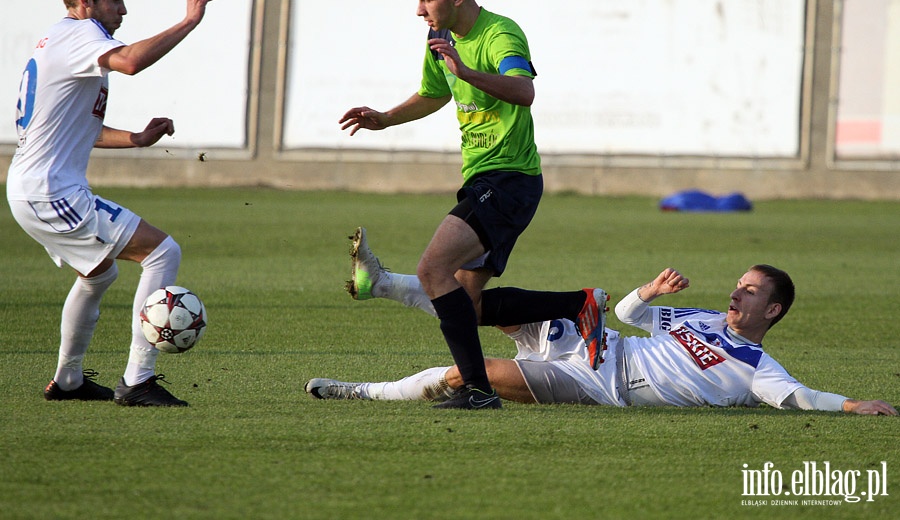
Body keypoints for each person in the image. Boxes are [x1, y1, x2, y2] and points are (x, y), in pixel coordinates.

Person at [339, 0, 608, 409]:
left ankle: (479, 390)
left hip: (510, 179)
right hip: (482, 177)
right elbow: (433, 93)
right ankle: (579, 304)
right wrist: (385, 118)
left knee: (432, 270)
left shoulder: (501, 33)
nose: (419, 10)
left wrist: (467, 71)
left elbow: (524, 91)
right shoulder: (438, 35)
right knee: (467, 302)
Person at [7, 0, 219, 406]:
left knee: (98, 274)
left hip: (32, 188)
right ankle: (138, 381)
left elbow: (75, 127)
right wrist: (188, 21)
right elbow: (130, 62)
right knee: (163, 250)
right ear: (85, 0)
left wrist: (137, 139)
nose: (123, 9)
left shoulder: (57, 41)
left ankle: (68, 381)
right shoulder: (81, 34)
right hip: (51, 191)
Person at [308, 265, 897, 416]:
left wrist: (852, 405)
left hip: (594, 381)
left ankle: (360, 392)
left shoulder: (755, 366)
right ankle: (380, 282)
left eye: (749, 292)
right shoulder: (706, 320)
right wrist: (652, 290)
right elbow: (635, 311)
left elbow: (797, 398)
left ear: (774, 309)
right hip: (595, 338)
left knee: (470, 372)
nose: (736, 295)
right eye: (738, 286)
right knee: (484, 305)